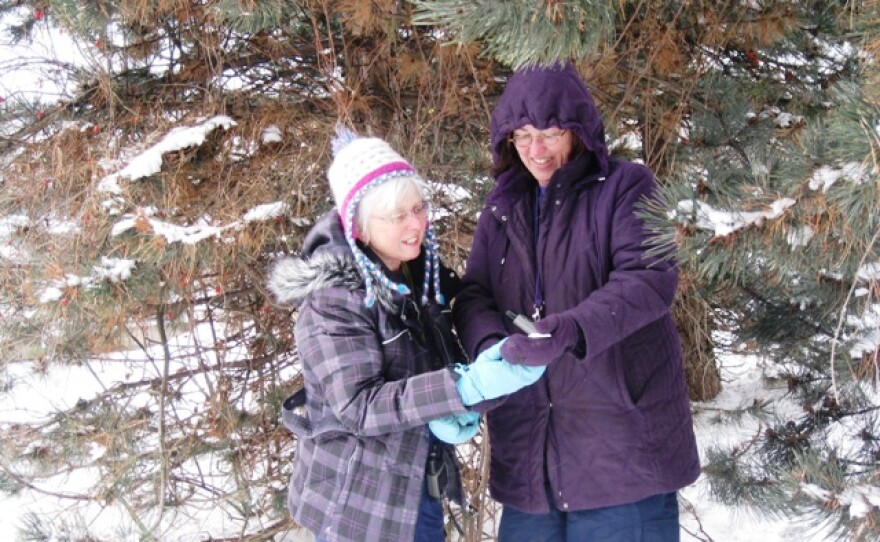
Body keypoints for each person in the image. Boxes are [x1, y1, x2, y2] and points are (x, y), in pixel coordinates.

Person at [452, 64, 701, 541]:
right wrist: (490, 347)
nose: (535, 150)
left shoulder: (628, 186)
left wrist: (569, 330)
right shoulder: (502, 206)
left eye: (548, 132)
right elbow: (474, 294)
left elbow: (649, 279)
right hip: (530, 458)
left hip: (621, 455)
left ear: (579, 130)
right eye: (522, 136)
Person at [268, 126, 545, 542]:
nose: (416, 224)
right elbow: (359, 406)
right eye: (398, 215)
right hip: (361, 507)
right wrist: (461, 387)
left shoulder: (413, 269)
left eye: (418, 208)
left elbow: (440, 336)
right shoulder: (333, 299)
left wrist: (460, 389)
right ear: (358, 226)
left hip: (418, 489)